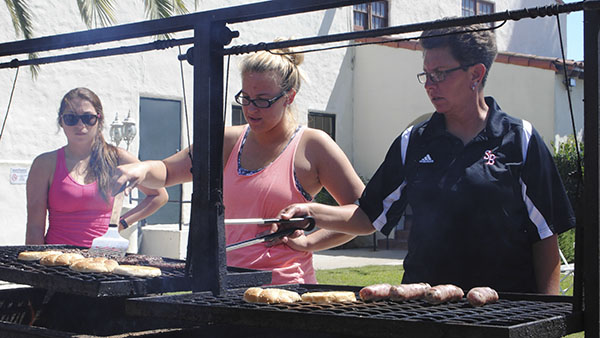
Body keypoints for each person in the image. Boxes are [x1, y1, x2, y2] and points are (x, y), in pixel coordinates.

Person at [278, 24, 576, 294]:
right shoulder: (413, 142)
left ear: (476, 74)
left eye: (440, 74)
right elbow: (369, 214)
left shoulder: (520, 139)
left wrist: (545, 314)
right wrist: (312, 212)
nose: (429, 84)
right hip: (424, 305)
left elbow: (546, 233)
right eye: (426, 74)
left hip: (502, 307)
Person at [114, 44, 365, 284]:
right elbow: (167, 172)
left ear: (289, 97)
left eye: (263, 100)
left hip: (286, 287)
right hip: (225, 283)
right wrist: (142, 168)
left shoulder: (313, 145)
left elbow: (364, 214)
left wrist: (311, 241)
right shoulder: (227, 141)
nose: (251, 109)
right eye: (246, 98)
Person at [26, 87, 168, 248]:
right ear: (61, 121)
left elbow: (159, 195)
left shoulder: (118, 158)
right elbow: (34, 228)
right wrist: (33, 270)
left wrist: (120, 224)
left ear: (99, 120)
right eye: (71, 118)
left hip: (103, 261)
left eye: (88, 118)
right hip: (56, 262)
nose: (80, 125)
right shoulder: (45, 164)